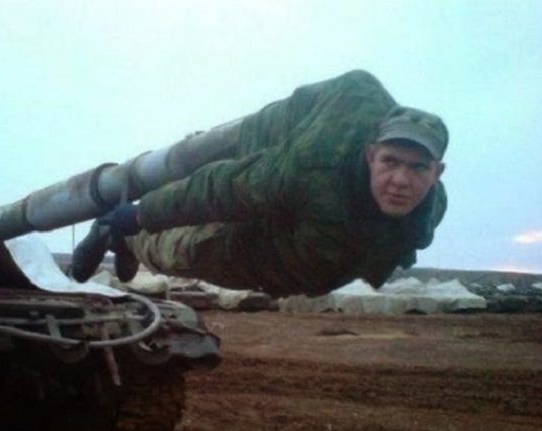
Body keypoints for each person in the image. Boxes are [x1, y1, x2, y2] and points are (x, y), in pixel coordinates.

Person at [71, 70, 448, 298]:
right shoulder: (311, 171)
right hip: (255, 244)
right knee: (179, 251)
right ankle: (115, 232)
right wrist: (140, 216)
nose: (400, 181)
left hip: (289, 265)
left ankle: (126, 229)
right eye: (390, 162)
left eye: (417, 168)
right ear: (370, 156)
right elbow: (221, 189)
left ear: (437, 173)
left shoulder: (429, 212)